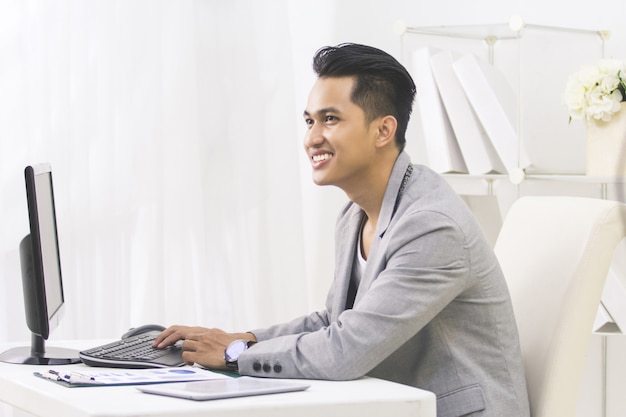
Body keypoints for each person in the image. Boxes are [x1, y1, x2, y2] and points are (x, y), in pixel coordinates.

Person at [153, 43, 530, 417]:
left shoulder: (431, 226)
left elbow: (347, 349)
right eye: (309, 121)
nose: (312, 138)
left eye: (330, 119)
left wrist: (236, 355)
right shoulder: (355, 214)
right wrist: (243, 339)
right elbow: (335, 320)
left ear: (383, 130)